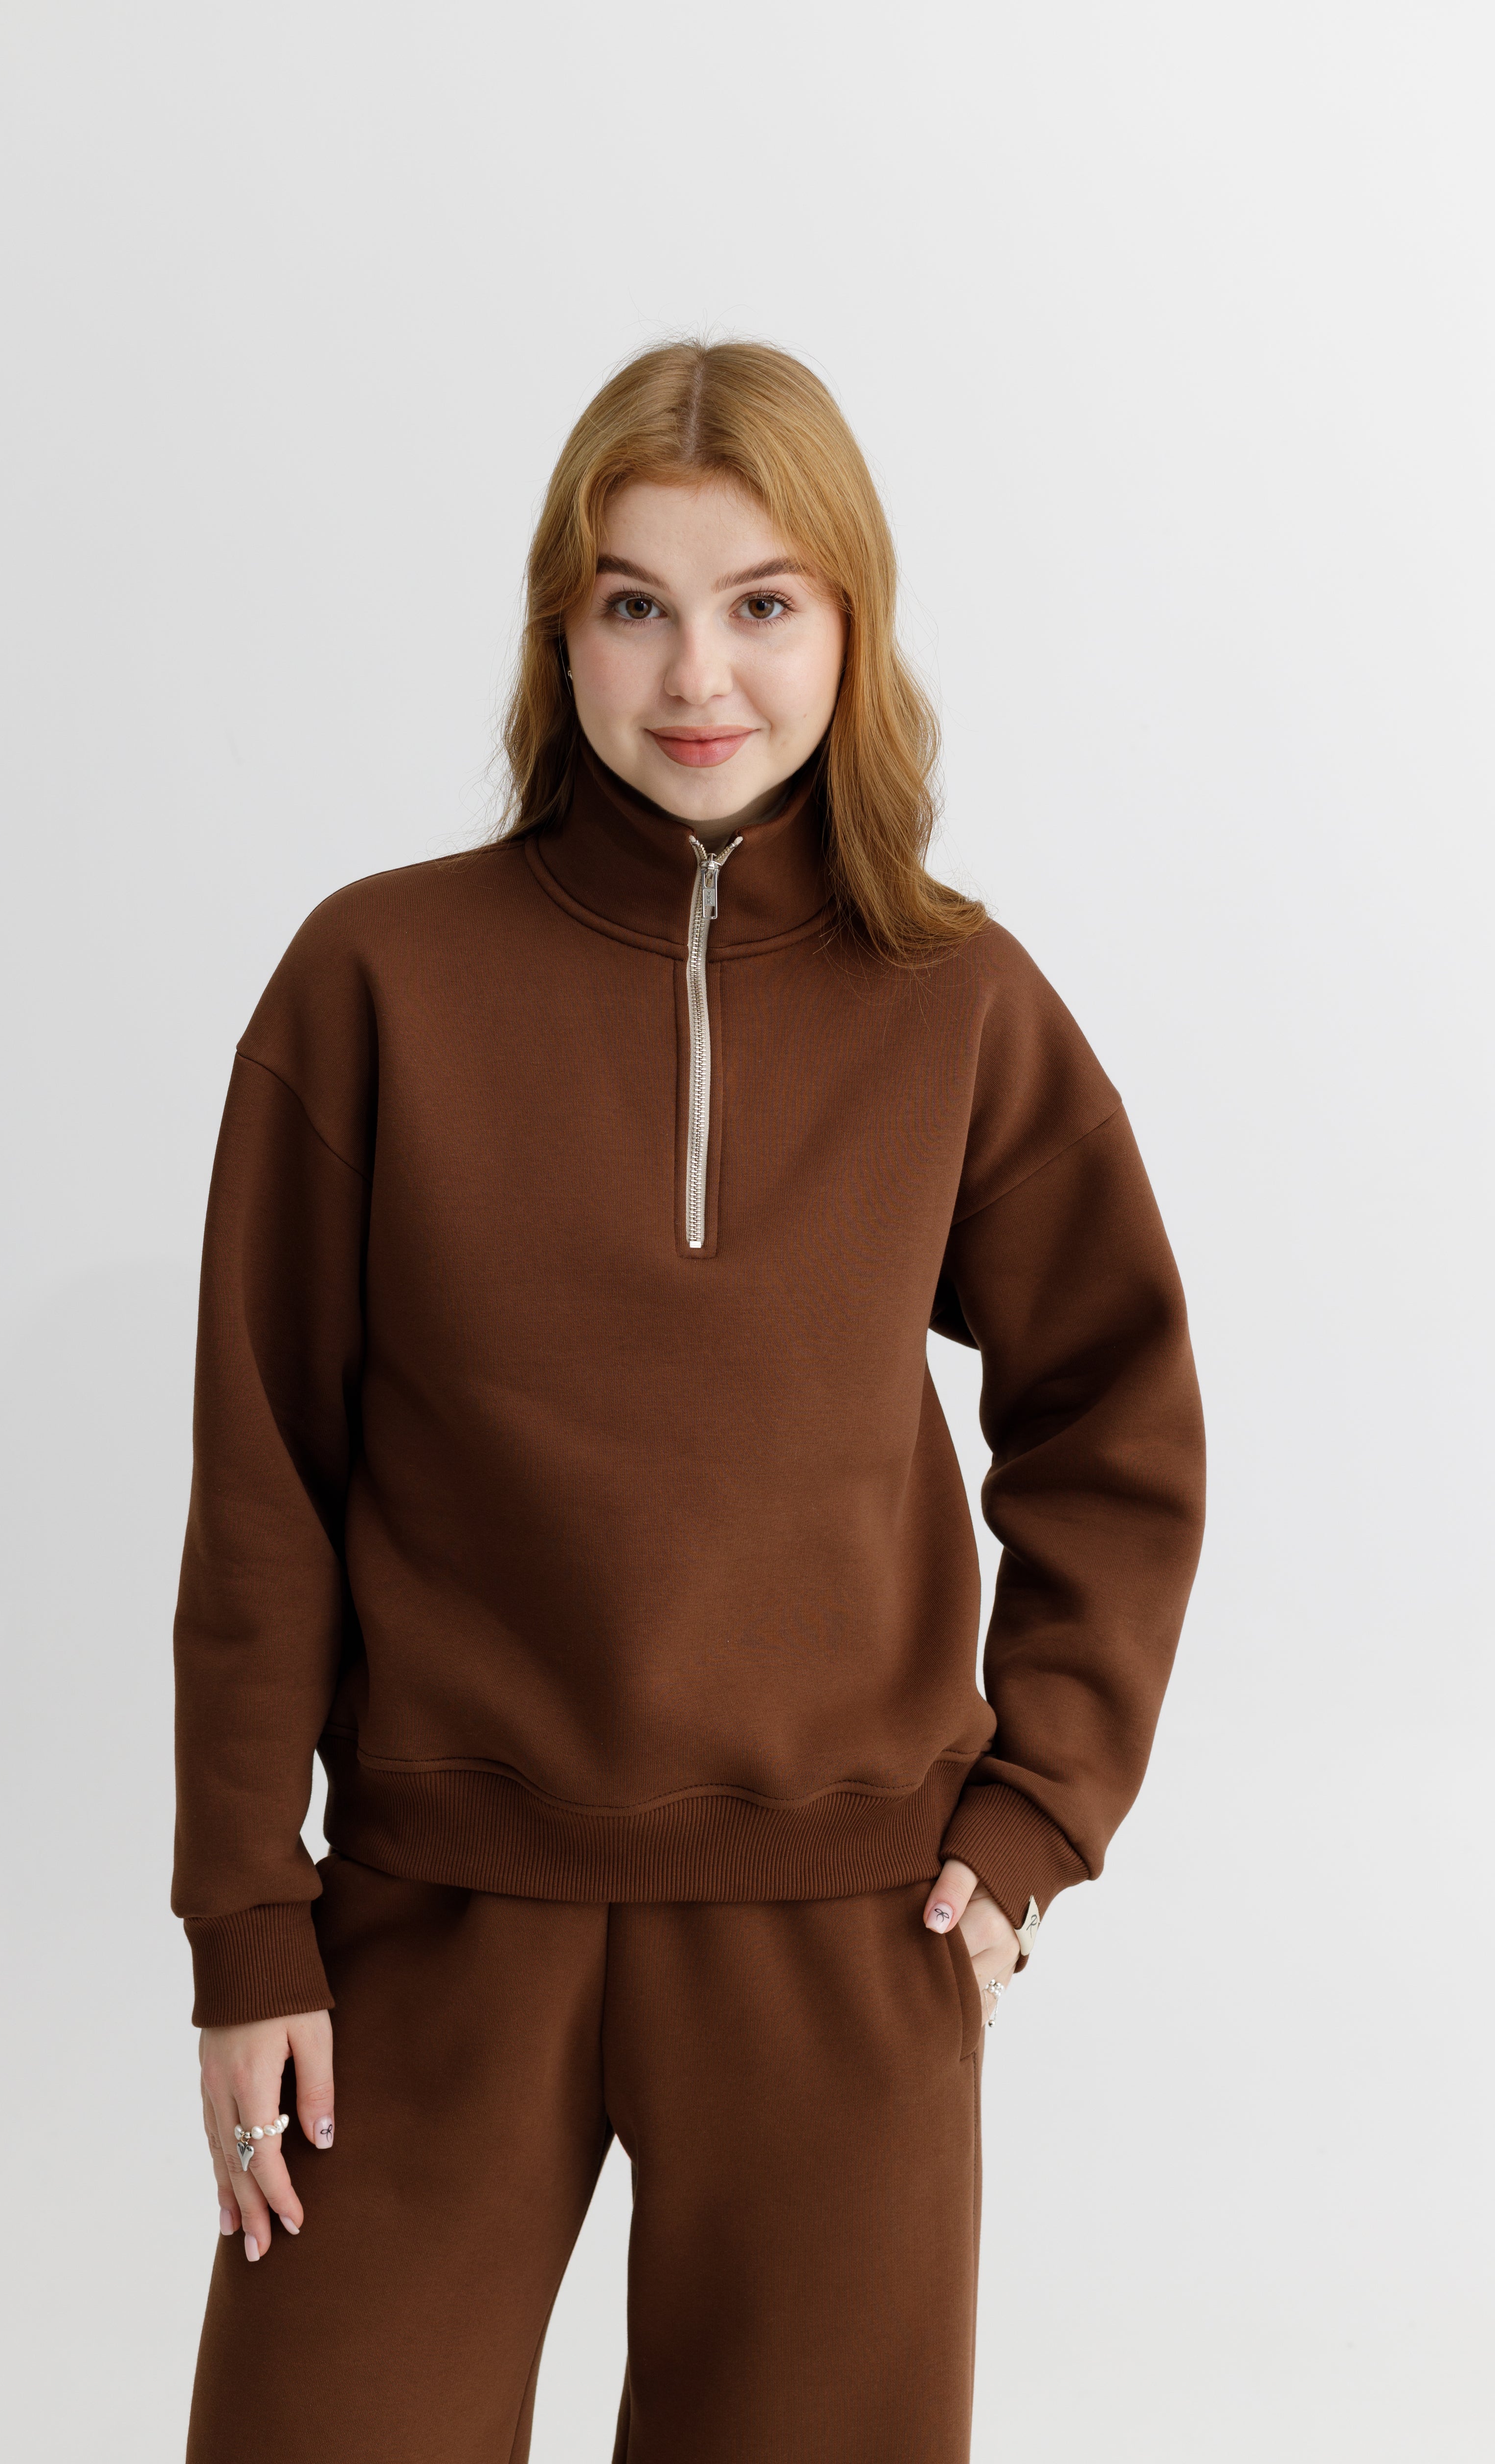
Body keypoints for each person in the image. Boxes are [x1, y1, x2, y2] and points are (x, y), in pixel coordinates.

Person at [172, 338, 1205, 2464]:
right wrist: (247, 1921)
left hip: (843, 1926)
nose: (697, 674)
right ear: (561, 634)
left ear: (852, 625)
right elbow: (263, 1478)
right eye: (635, 603)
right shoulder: (377, 981)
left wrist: (1035, 1820)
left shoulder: (958, 999)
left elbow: (1116, 1415)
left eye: (763, 603)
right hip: (433, 1917)